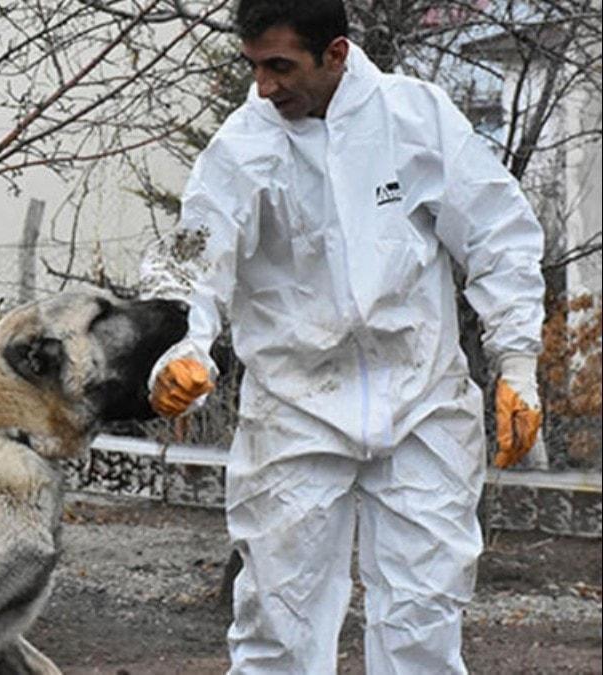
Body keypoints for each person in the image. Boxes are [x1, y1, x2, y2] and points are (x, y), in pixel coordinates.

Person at [138, 1, 545, 672]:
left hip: (421, 403)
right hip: (295, 411)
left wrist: (518, 362)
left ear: (335, 53)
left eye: (280, 66)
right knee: (278, 622)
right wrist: (185, 346)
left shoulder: (414, 119)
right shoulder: (244, 146)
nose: (266, 86)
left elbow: (498, 233)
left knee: (425, 616)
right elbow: (195, 258)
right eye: (254, 67)